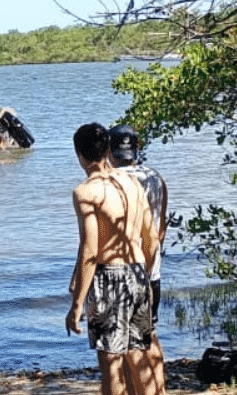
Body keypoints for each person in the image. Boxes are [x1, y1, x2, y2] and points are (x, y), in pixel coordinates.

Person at [66, 123, 161, 395]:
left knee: (112, 366)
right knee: (140, 358)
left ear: (79, 155)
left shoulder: (86, 192)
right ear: (108, 150)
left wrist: (77, 305)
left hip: (110, 279)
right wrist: (144, 275)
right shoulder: (132, 184)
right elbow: (151, 239)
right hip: (138, 272)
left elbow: (90, 250)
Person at [108, 124, 168, 394]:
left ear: (109, 151)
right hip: (152, 270)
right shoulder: (155, 178)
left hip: (124, 272)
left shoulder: (110, 182)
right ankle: (160, 389)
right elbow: (160, 229)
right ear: (137, 147)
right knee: (148, 336)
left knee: (124, 348)